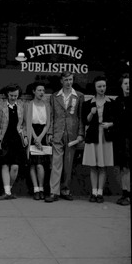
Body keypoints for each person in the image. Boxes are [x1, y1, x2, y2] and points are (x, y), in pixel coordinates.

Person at [45, 71, 85, 202]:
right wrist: (50, 132)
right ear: (61, 81)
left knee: (68, 163)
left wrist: (80, 133)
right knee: (56, 163)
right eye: (66, 80)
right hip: (58, 132)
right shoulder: (54, 96)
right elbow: (51, 116)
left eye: (71, 79)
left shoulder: (79, 96)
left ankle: (65, 189)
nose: (69, 82)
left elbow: (81, 117)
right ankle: (53, 192)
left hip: (72, 134)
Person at [82, 76, 116, 203]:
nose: (102, 89)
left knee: (102, 166)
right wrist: (91, 113)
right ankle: (93, 192)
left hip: (105, 136)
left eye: (104, 86)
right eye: (99, 86)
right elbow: (85, 120)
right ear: (95, 88)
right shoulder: (88, 103)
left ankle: (100, 193)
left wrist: (110, 124)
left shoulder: (111, 102)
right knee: (93, 165)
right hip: (93, 135)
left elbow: (117, 120)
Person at [0, 84, 27, 200]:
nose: (13, 97)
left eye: (16, 95)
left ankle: (9, 188)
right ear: (7, 94)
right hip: (5, 138)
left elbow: (24, 123)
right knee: (5, 165)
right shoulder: (1, 106)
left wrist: (25, 135)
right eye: (12, 95)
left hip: (17, 139)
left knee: (15, 167)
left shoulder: (22, 106)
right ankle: (7, 192)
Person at [24, 83, 51, 200]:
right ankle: (36, 189)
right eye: (39, 90)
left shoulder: (47, 105)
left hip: (42, 134)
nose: (41, 92)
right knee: (32, 164)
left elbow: (48, 123)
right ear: (33, 91)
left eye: (43, 90)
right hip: (32, 133)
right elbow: (27, 122)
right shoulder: (28, 105)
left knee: (40, 165)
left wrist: (40, 138)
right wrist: (35, 138)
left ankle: (41, 188)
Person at [114, 73, 131, 206]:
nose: (128, 86)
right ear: (121, 85)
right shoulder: (118, 101)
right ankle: (125, 193)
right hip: (121, 139)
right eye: (125, 83)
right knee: (124, 167)